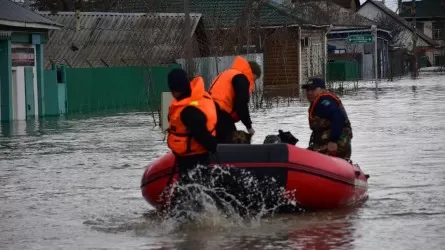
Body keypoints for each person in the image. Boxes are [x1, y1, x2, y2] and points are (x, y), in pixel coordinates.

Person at [166, 68, 218, 186]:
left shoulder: (187, 111)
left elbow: (203, 136)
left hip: (195, 158)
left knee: (190, 192)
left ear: (174, 89)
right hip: (197, 156)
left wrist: (216, 149)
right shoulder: (201, 96)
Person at [208, 56, 262, 143]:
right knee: (232, 144)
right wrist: (249, 126)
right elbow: (241, 104)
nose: (253, 82)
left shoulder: (229, 73)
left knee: (218, 143)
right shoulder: (242, 77)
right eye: (254, 78)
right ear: (251, 73)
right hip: (220, 113)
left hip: (209, 111)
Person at [302, 77, 353, 160]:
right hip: (327, 145)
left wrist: (333, 141)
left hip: (336, 145)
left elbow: (338, 116)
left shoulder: (323, 101)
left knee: (306, 158)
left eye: (313, 89)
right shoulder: (319, 102)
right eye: (307, 90)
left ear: (321, 89)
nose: (309, 93)